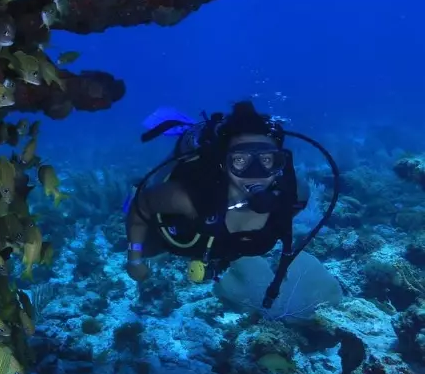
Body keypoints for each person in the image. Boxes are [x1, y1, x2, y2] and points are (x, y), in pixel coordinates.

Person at [124, 101, 336, 298]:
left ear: (280, 163)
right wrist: (134, 260)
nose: (256, 173)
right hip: (179, 228)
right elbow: (142, 205)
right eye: (240, 160)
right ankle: (189, 133)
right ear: (224, 164)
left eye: (267, 160)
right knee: (150, 249)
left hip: (217, 246)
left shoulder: (295, 194)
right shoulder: (188, 198)